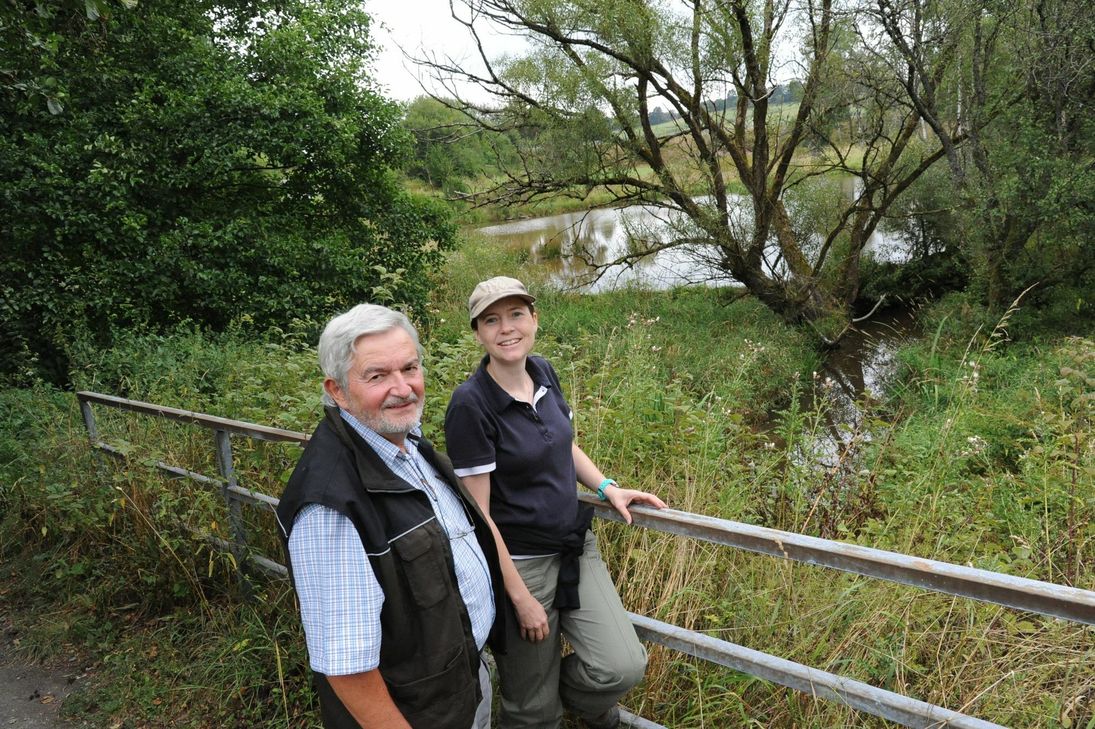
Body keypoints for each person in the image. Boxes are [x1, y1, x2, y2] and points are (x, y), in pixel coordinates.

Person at [444, 276, 667, 729]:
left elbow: (561, 444)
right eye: (492, 320)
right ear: (478, 332)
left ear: (534, 319)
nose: (506, 328)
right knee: (532, 712)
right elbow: (479, 519)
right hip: (520, 565)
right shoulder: (472, 405)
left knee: (620, 665)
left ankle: (571, 702)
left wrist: (607, 487)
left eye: (516, 315)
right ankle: (541, 706)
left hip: (574, 547)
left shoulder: (542, 371)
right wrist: (519, 595)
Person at [275, 303, 506, 729]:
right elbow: (348, 668)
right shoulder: (332, 507)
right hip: (416, 713)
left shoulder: (403, 442)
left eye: (410, 368)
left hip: (458, 684)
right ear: (337, 390)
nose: (403, 388)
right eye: (377, 376)